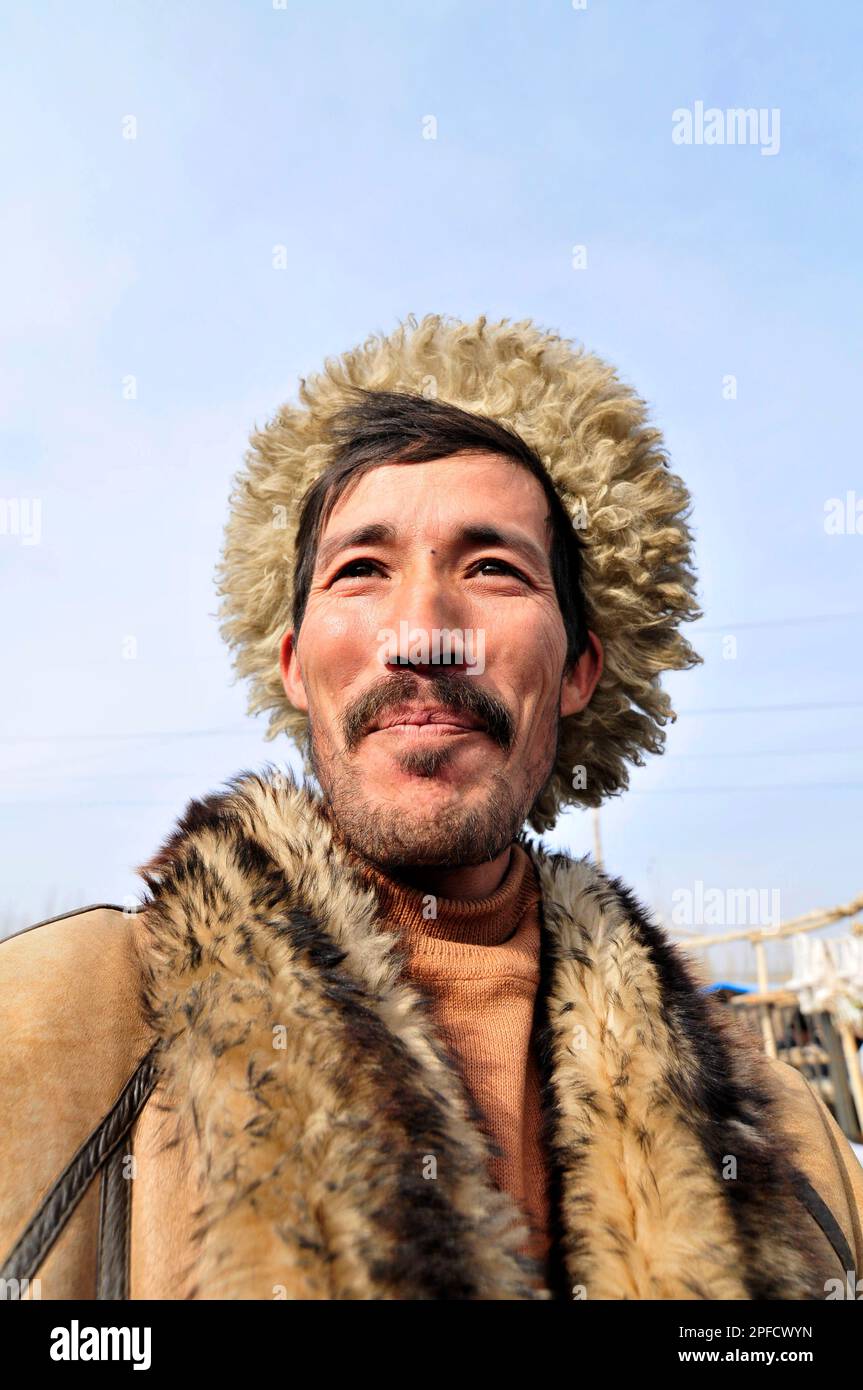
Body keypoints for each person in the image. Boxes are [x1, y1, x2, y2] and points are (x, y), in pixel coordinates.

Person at [2, 313, 861, 1301]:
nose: (423, 635)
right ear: (291, 664)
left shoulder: (789, 1153)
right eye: (361, 570)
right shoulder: (45, 1037)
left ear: (579, 668)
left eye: (491, 568)